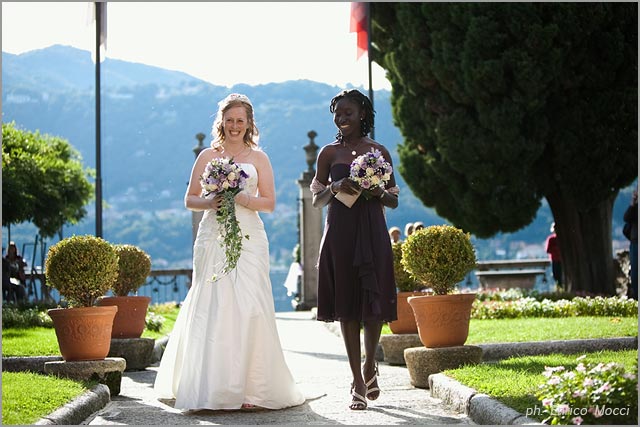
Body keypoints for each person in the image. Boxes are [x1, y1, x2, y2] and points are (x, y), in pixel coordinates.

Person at [154, 93, 304, 411]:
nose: (235, 126)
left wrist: (241, 198)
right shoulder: (209, 154)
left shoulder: (259, 158)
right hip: (213, 235)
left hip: (250, 236)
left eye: (241, 120)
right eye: (230, 120)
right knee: (211, 301)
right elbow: (189, 198)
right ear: (221, 121)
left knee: (249, 303)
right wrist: (211, 201)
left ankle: (252, 389)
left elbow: (270, 202)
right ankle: (210, 386)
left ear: (249, 123)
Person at [310, 89, 399, 410]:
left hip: (372, 230)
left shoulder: (379, 151)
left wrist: (376, 191)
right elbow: (317, 200)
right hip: (340, 233)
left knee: (372, 302)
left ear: (363, 113)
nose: (341, 118)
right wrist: (334, 187)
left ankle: (369, 365)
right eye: (337, 114)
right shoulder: (328, 154)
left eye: (348, 112)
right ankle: (357, 381)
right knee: (346, 305)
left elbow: (394, 198)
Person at [623, 189, 637, 299]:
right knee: (635, 275)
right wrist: (633, 203)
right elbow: (626, 217)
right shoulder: (635, 207)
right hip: (635, 242)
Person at [545, 222, 562, 288]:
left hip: (561, 261)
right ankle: (559, 287)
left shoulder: (563, 239)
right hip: (555, 260)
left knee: (561, 276)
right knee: (556, 275)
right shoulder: (551, 239)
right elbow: (548, 250)